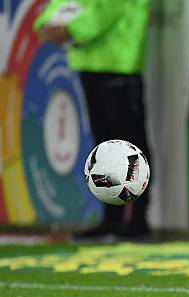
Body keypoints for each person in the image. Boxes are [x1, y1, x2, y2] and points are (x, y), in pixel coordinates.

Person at [34, 0, 152, 238]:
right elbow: (66, 4)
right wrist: (46, 22)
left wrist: (69, 30)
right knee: (105, 146)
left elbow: (108, 10)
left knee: (130, 147)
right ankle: (112, 219)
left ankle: (139, 219)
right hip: (90, 61)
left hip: (120, 62)